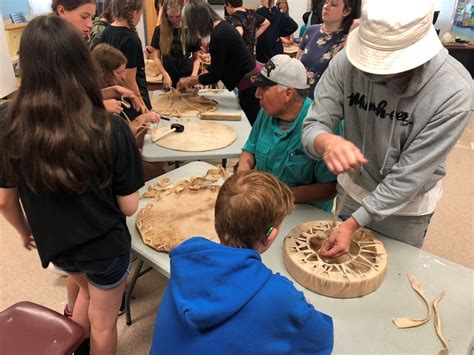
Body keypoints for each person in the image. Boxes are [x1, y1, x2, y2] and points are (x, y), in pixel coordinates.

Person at [0, 15, 144, 355]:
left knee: (84, 291)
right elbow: (129, 206)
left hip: (57, 245)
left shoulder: (7, 121)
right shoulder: (110, 127)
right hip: (104, 247)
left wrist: (24, 232)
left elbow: (5, 201)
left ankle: (70, 345)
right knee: (105, 322)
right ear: (82, 62)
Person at [302, 0, 473, 258]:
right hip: (352, 188)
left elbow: (410, 176)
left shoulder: (453, 90)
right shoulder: (345, 62)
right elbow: (313, 124)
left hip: (406, 208)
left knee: (392, 274)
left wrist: (354, 222)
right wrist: (326, 142)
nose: (371, 75)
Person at [150, 170, 334, 354]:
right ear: (270, 236)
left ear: (216, 220)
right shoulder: (281, 296)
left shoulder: (187, 260)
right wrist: (302, 307)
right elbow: (322, 341)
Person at [239, 55, 338, 212]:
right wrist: (241, 180)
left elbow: (329, 188)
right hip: (266, 207)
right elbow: (249, 151)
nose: (257, 94)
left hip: (303, 216)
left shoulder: (321, 126)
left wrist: (276, 196)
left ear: (288, 93)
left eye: (264, 88)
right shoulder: (266, 112)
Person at [177, 0, 261, 125]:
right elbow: (217, 66)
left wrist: (188, 80)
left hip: (250, 86)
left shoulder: (219, 35)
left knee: (252, 125)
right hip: (250, 82)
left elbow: (215, 75)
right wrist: (197, 78)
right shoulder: (222, 27)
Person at [92, 43, 164, 181]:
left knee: (157, 160)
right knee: (160, 176)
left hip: (128, 149)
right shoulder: (103, 105)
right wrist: (142, 119)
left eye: (124, 70)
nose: (124, 76)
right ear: (104, 73)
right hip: (114, 163)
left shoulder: (112, 87)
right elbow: (121, 137)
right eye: (119, 72)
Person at [297, 0, 360, 99]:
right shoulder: (311, 30)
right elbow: (296, 64)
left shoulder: (346, 41)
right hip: (298, 97)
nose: (326, 7)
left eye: (333, 4)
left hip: (322, 101)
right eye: (326, 2)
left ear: (346, 11)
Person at [100, 0, 152, 111]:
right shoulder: (131, 40)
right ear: (134, 13)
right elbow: (130, 80)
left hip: (115, 96)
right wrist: (144, 108)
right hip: (131, 99)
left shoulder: (107, 31)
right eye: (141, 13)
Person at [148, 0, 200, 89]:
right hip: (169, 75)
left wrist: (193, 77)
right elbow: (156, 57)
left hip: (187, 75)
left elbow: (197, 59)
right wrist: (164, 74)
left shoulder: (190, 30)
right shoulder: (159, 30)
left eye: (177, 16)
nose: (174, 20)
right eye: (171, 17)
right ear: (166, 15)